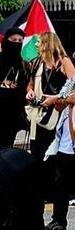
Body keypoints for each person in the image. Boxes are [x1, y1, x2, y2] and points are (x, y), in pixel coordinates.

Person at [25, 32, 75, 161]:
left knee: (53, 152)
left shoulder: (63, 61)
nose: (36, 45)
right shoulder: (37, 62)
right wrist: (30, 91)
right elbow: (30, 84)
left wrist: (55, 98)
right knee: (37, 151)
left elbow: (73, 87)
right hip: (39, 112)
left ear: (47, 43)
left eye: (39, 41)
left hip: (59, 111)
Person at [0, 28, 28, 147]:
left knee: (8, 144)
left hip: (14, 110)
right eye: (14, 40)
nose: (17, 43)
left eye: (20, 41)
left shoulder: (25, 63)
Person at [42, 75, 75, 230]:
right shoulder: (71, 81)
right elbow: (59, 104)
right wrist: (65, 99)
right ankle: (58, 221)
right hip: (65, 144)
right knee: (60, 183)